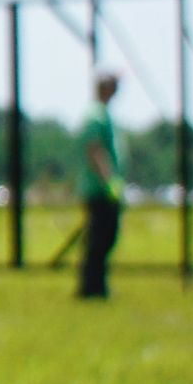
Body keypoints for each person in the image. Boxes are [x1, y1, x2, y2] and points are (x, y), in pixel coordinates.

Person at [77, 68, 125, 300]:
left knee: (104, 237)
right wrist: (109, 181)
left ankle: (97, 285)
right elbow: (94, 149)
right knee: (100, 238)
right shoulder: (96, 114)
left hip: (102, 187)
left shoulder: (101, 112)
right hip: (99, 188)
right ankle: (91, 287)